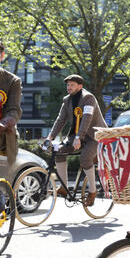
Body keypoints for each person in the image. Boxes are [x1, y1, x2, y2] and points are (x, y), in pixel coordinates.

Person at [45, 74, 107, 207]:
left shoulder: (89, 98)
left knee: (85, 157)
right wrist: (50, 137)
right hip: (75, 135)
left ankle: (92, 191)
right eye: (68, 85)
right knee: (59, 151)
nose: (69, 87)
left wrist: (79, 137)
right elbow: (60, 120)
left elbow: (87, 118)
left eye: (72, 85)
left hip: (94, 136)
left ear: (80, 86)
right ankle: (64, 187)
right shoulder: (66, 100)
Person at [0, 38, 22, 216]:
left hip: (3, 137)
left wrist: (3, 124)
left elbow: (14, 111)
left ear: (2, 56)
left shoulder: (12, 81)